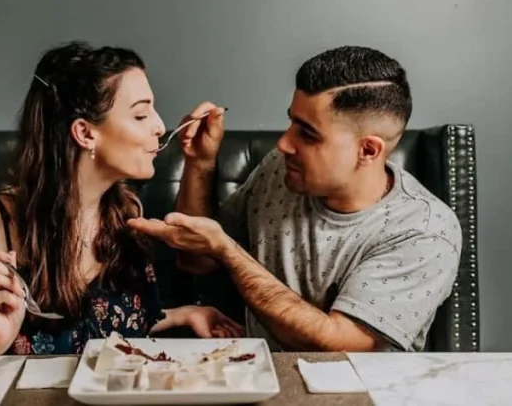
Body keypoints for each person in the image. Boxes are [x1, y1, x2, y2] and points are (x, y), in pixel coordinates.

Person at [129, 46, 462, 353]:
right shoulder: (282, 170)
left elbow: (337, 346)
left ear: (368, 150)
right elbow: (197, 262)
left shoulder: (425, 230)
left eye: (307, 133)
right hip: (255, 379)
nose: (285, 143)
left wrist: (228, 251)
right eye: (291, 121)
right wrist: (200, 163)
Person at [0, 41, 242, 357]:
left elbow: (110, 329)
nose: (161, 126)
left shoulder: (125, 214)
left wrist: (185, 313)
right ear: (85, 133)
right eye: (140, 115)